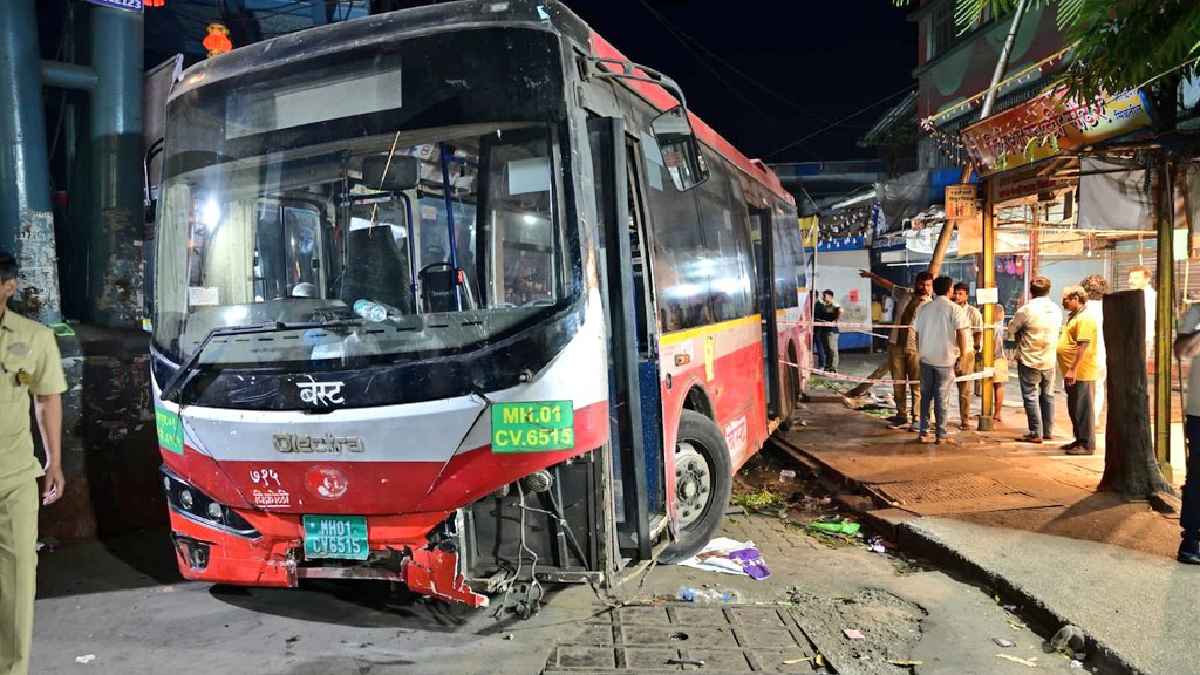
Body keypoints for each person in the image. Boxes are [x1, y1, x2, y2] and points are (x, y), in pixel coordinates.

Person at [0, 251, 67, 675]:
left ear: (8, 287)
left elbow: (46, 399)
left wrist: (54, 461)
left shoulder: (35, 337)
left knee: (19, 581)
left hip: (15, 481)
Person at [860, 269, 934, 431]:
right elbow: (888, 285)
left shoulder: (932, 305)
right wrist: (872, 276)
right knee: (898, 383)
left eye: (928, 285)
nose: (925, 288)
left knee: (917, 384)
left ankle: (918, 418)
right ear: (916, 284)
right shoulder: (905, 294)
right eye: (922, 284)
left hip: (917, 348)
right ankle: (901, 415)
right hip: (896, 345)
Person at [912, 276, 971, 444]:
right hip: (945, 360)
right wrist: (963, 356)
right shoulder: (954, 309)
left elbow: (916, 334)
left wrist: (921, 351)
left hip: (926, 359)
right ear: (949, 289)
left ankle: (923, 433)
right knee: (941, 398)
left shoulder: (923, 308)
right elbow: (961, 333)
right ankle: (941, 434)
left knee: (925, 397)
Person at [1006, 276, 1063, 444]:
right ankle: (1048, 431)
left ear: (1031, 291)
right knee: (1048, 395)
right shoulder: (1056, 309)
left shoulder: (1026, 310)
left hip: (1029, 359)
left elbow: (1012, 329)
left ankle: (1035, 432)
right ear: (1049, 290)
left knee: (1030, 396)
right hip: (1049, 359)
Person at [1172, 302, 1200, 564]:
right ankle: (1191, 540)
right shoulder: (1197, 312)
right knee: (1197, 477)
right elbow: (1180, 351)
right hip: (1199, 412)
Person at [1057, 285, 1099, 455]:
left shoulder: (1085, 319)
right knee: (1075, 407)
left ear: (1076, 298)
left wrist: (1073, 369)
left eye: (1065, 299)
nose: (1063, 302)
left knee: (1083, 409)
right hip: (1073, 372)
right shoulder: (1074, 317)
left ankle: (1086, 444)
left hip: (1082, 372)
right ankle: (1079, 439)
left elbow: (1083, 345)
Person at [952, 282, 983, 430]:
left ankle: (964, 420)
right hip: (949, 352)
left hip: (966, 353)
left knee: (965, 390)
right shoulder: (949, 310)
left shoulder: (973, 312)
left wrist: (975, 350)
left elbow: (978, 332)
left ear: (966, 295)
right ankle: (939, 419)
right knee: (942, 387)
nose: (957, 296)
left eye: (960, 293)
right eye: (955, 293)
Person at [1080, 275, 1108, 430]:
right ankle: (1094, 418)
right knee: (1098, 386)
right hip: (1103, 354)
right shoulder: (1108, 308)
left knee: (1083, 389)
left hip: (1085, 354)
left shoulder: (1082, 309)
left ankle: (1086, 421)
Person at [812, 289, 841, 372]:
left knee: (833, 350)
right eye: (823, 295)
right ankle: (828, 366)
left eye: (825, 295)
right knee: (827, 349)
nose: (823, 297)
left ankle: (834, 368)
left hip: (832, 331)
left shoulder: (834, 304)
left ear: (830, 296)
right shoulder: (824, 305)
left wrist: (835, 320)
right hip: (825, 330)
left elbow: (839, 312)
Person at [990, 305, 1010, 424]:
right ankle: (996, 412)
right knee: (998, 385)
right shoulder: (997, 325)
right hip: (997, 357)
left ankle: (997, 413)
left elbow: (996, 344)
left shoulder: (996, 326)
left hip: (997, 357)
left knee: (998, 385)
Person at [1129, 265, 1156, 350]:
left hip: (1141, 340)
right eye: (1130, 278)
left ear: (1147, 279)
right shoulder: (1137, 294)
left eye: (1136, 278)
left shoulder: (1148, 296)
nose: (1130, 281)